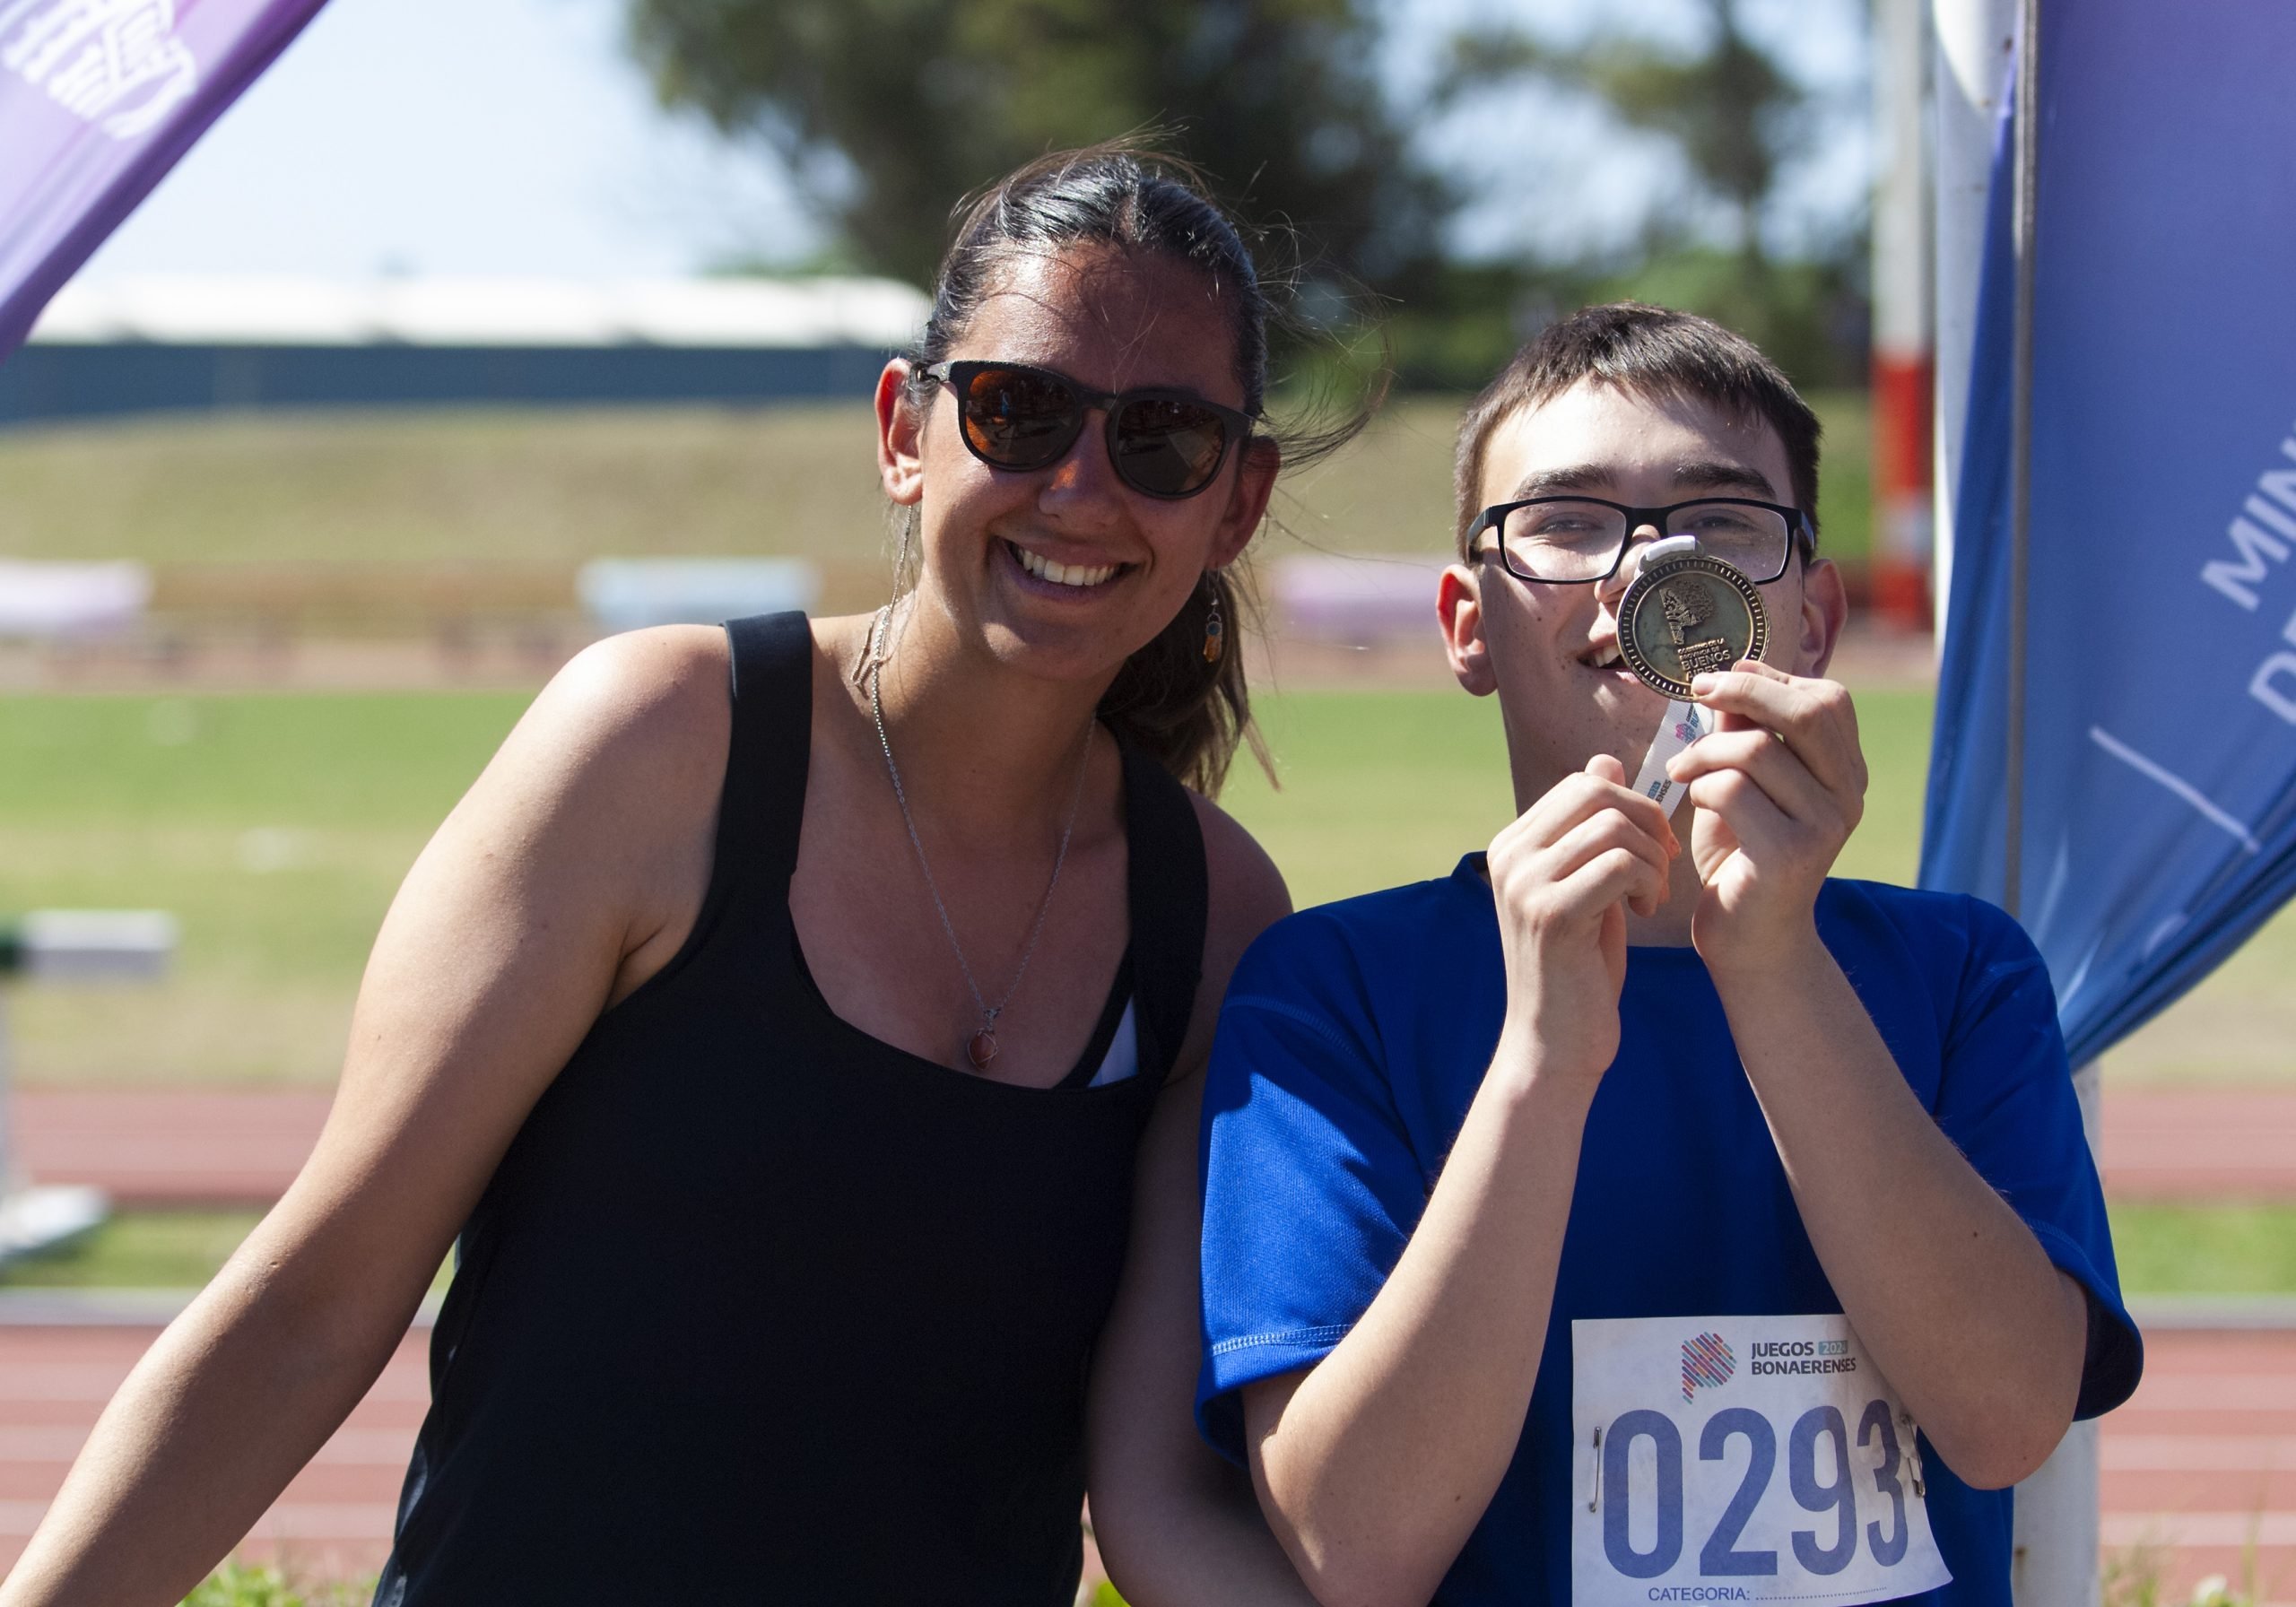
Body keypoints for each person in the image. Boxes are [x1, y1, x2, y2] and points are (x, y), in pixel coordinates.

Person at [1, 145, 1336, 1607]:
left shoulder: (1211, 920)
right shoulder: (661, 747)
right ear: (905, 429)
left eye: (1162, 440)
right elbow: (314, 1310)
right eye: (1018, 411)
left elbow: (1153, 1497)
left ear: (1239, 499)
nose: (1080, 488)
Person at [1194, 303, 2143, 1607]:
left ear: (1811, 617)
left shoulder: (1962, 975)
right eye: (1569, 523)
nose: (1646, 574)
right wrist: (1538, 1059)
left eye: (1718, 525)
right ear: (1468, 622)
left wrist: (1775, 965)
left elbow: (2007, 1421)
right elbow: (1357, 1546)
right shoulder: (1333, 994)